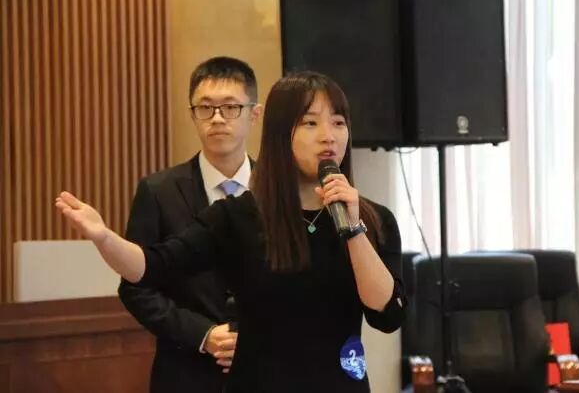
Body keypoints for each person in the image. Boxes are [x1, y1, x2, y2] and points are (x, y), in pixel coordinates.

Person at [56, 71, 405, 393]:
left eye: (339, 122)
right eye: (310, 122)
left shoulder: (374, 220)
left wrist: (353, 228)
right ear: (280, 133)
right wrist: (104, 237)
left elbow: (387, 314)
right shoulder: (239, 216)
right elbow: (151, 265)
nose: (328, 135)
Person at [118, 56, 262, 393]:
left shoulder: (279, 192)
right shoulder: (158, 191)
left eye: (231, 107)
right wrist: (204, 335)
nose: (217, 118)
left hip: (265, 372)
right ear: (192, 114)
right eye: (205, 108)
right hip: (185, 374)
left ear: (254, 114)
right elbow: (136, 287)